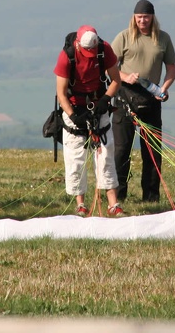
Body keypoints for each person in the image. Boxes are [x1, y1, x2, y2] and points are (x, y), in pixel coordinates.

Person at [111, 0, 175, 202]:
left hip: (151, 98)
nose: (142, 21)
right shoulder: (124, 37)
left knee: (152, 151)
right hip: (125, 98)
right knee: (122, 150)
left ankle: (151, 197)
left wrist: (163, 89)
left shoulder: (163, 38)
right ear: (134, 17)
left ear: (152, 17)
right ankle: (118, 196)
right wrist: (125, 77)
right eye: (139, 17)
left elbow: (171, 69)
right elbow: (109, 67)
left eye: (146, 17)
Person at [55, 25, 123, 216]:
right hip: (74, 107)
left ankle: (113, 204)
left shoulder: (104, 50)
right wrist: (73, 116)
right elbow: (61, 93)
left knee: (106, 153)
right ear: (77, 44)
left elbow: (116, 80)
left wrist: (105, 100)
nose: (90, 54)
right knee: (76, 157)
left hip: (99, 105)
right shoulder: (66, 56)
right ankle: (80, 204)